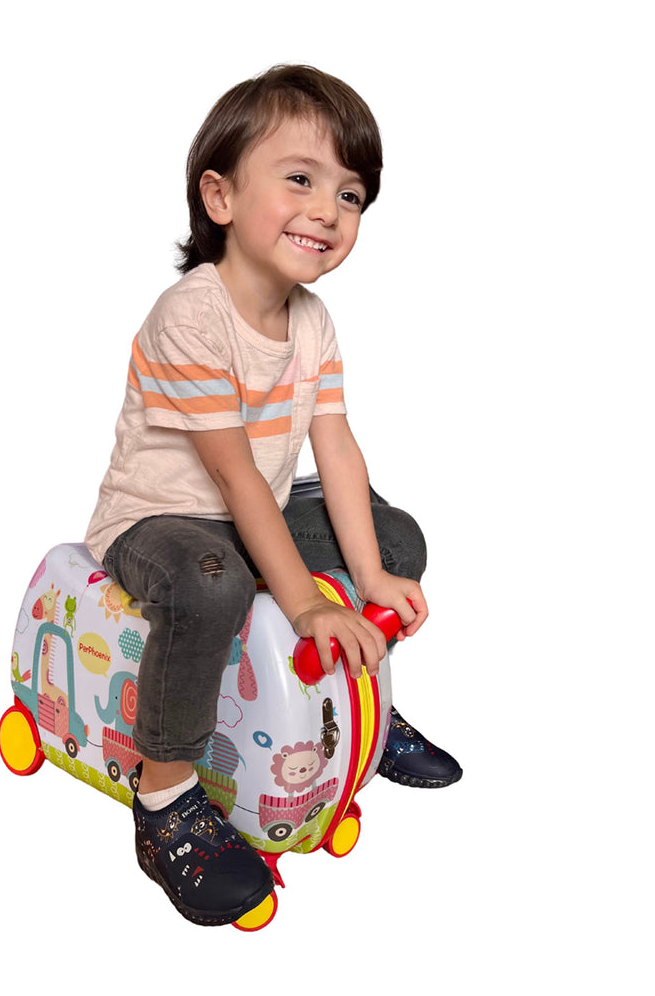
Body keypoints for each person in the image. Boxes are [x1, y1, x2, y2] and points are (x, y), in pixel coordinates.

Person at [85, 64, 461, 926]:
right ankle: (164, 797)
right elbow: (233, 477)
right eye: (300, 179)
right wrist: (305, 603)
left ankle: (358, 712)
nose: (328, 210)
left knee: (396, 539)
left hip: (253, 509)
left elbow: (336, 450)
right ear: (219, 196)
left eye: (351, 195)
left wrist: (372, 579)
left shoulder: (313, 320)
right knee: (210, 580)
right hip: (162, 520)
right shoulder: (190, 315)